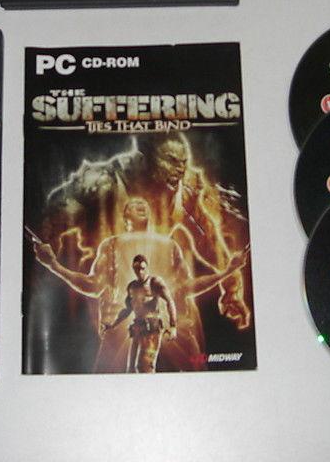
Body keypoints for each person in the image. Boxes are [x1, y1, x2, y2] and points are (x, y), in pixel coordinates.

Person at [39, 134, 250, 330]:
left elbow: (210, 242)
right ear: (147, 158)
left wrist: (232, 290)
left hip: (155, 301)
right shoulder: (105, 182)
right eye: (171, 161)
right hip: (106, 294)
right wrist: (51, 246)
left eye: (183, 162)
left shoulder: (184, 192)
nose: (180, 169)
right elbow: (57, 216)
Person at [31, 197, 249, 371]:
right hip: (125, 334)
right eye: (133, 204)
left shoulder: (169, 246)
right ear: (125, 217)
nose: (141, 204)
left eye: (143, 203)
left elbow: (187, 287)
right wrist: (53, 265)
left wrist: (227, 271)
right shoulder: (112, 245)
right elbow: (94, 286)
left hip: (167, 333)